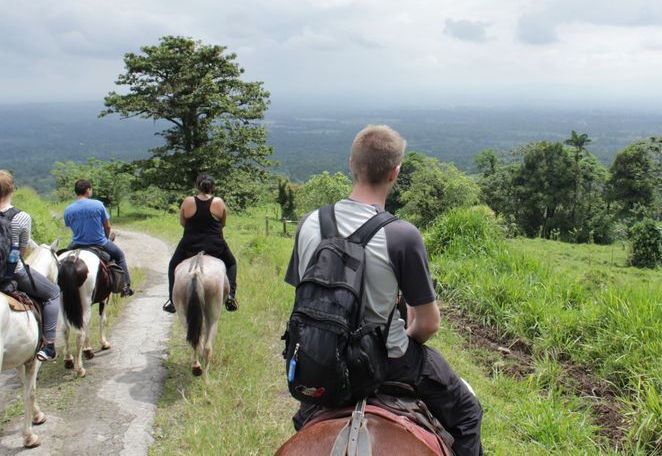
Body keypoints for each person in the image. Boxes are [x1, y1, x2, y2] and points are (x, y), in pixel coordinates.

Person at [284, 125, 483, 456]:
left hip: (321, 358)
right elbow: (429, 323)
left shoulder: (309, 224)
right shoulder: (401, 235)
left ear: (351, 163)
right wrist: (400, 339)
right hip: (390, 360)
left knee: (303, 420)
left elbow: (300, 298)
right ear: (395, 172)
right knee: (467, 411)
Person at [0, 170, 61, 361]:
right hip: (13, 272)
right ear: (12, 189)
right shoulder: (22, 217)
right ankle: (49, 345)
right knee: (53, 293)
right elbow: (23, 251)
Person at [162, 173, 239, 313]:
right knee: (232, 263)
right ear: (212, 187)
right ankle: (231, 297)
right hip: (214, 245)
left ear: (197, 186)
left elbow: (183, 223)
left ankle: (171, 300)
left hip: (190, 245)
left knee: (173, 265)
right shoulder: (219, 202)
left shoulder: (187, 201)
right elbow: (223, 224)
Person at [64, 179, 134, 296]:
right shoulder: (98, 204)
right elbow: (107, 226)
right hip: (99, 242)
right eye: (91, 189)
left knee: (60, 258)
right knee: (120, 256)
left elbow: (71, 227)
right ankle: (125, 287)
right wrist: (105, 238)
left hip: (76, 243)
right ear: (88, 190)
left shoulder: (68, 209)